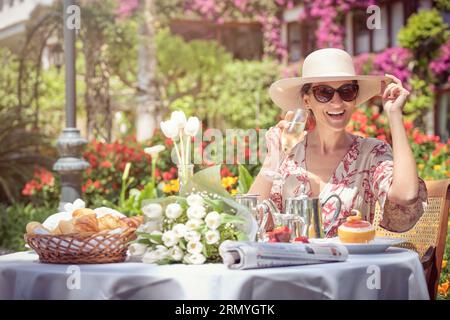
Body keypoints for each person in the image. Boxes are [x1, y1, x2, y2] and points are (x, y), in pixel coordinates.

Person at [248, 48, 427, 237]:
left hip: (350, 265)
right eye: (324, 92)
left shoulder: (372, 153)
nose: (337, 102)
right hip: (295, 265)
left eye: (346, 91)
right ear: (307, 100)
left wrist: (394, 115)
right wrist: (272, 159)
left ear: (355, 97)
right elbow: (251, 221)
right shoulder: (290, 156)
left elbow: (406, 195)